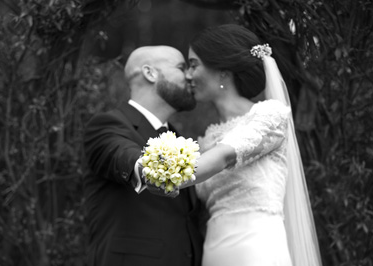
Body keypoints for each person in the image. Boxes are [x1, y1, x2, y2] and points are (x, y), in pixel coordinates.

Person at [146, 24, 322, 266]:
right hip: (214, 251)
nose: (188, 75)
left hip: (256, 248)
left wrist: (159, 173)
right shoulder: (207, 139)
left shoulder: (269, 117)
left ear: (222, 71)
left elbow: (224, 157)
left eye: (194, 65)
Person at [83, 45, 204, 266]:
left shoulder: (179, 138)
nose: (190, 75)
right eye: (181, 67)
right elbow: (122, 155)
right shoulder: (108, 125)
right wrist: (145, 169)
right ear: (150, 73)